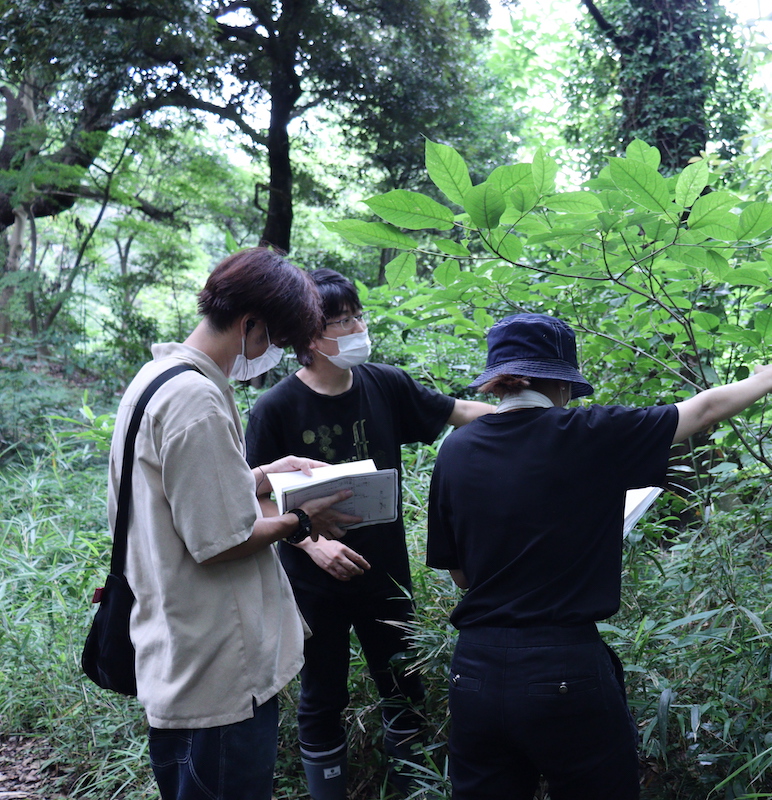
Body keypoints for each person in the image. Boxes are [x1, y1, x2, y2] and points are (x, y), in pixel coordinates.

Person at [425, 313, 772, 800]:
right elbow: (701, 412)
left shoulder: (456, 449)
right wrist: (764, 381)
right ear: (561, 382)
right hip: (563, 667)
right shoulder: (588, 432)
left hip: (474, 670)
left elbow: (460, 575)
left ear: (497, 380)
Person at [108, 247, 361, 800]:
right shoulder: (196, 400)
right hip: (218, 672)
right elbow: (222, 542)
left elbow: (178, 498)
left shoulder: (156, 380)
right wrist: (301, 518)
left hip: (180, 650)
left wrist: (266, 476)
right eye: (271, 339)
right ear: (250, 324)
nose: (269, 353)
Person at [244, 268, 493, 799]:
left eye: (358, 315)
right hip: (312, 582)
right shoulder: (275, 408)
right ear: (310, 335)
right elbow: (255, 495)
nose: (357, 327)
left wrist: (532, 417)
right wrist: (313, 542)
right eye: (342, 321)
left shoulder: (386, 384)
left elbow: (459, 412)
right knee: (322, 693)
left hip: (384, 572)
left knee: (403, 683)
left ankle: (411, 788)